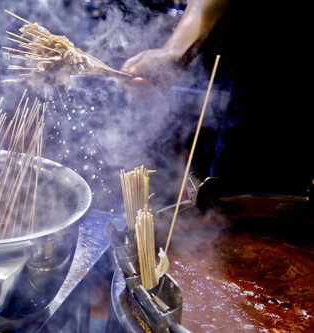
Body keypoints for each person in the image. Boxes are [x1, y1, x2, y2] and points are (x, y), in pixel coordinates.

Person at [119, 0, 314, 199]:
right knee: (227, 201)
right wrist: (175, 53)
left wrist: (175, 51)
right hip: (245, 74)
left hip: (277, 90)